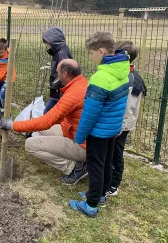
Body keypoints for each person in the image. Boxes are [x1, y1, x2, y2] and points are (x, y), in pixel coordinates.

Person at [68, 31, 129, 218]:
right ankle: (100, 195)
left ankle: (91, 204)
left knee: (95, 166)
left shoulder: (100, 78)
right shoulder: (123, 71)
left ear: (101, 51)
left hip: (99, 132)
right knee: (107, 163)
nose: (90, 56)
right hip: (112, 130)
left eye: (91, 53)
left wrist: (79, 136)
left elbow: (90, 113)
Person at [0, 59, 89, 185]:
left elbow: (47, 121)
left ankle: (75, 167)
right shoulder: (80, 83)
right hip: (72, 131)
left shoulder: (73, 94)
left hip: (83, 145)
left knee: (31, 144)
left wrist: (13, 125)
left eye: (57, 72)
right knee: (39, 128)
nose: (56, 75)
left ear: (65, 74)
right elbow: (54, 118)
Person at [106, 41, 147, 197]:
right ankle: (108, 176)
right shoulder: (126, 75)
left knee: (117, 153)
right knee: (111, 151)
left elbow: (128, 108)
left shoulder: (132, 80)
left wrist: (119, 127)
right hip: (117, 122)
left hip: (122, 125)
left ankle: (114, 184)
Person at [42, 27, 73, 114]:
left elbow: (65, 73)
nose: (47, 46)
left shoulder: (61, 53)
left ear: (54, 42)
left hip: (58, 92)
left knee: (47, 114)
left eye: (47, 43)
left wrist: (54, 84)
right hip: (57, 92)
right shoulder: (58, 52)